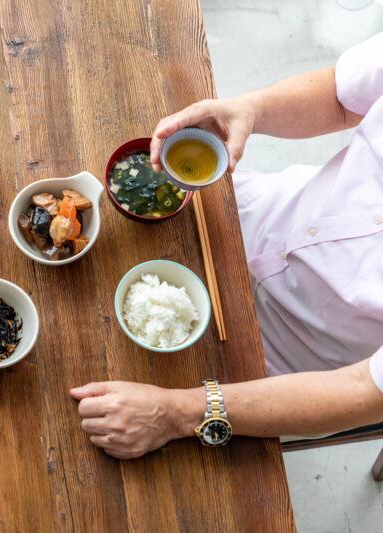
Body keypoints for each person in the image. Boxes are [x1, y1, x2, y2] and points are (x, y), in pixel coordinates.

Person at [71, 33, 383, 459]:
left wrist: (174, 414)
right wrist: (249, 109)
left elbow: (366, 390)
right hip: (247, 214)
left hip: (285, 364)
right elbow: (342, 97)